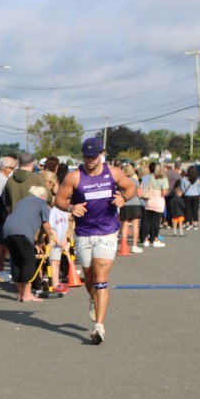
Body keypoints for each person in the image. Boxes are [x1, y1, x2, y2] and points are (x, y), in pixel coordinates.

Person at [54, 137, 136, 344]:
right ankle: (94, 299)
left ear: (101, 154)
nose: (89, 160)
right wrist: (71, 207)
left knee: (100, 278)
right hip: (84, 232)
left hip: (107, 231)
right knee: (89, 278)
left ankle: (99, 327)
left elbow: (131, 187)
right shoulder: (75, 177)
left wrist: (124, 198)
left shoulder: (113, 173)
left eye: (93, 156)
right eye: (86, 156)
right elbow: (59, 200)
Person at [3, 186, 55, 302]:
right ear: (43, 196)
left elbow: (22, 219)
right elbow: (46, 225)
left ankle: (20, 294)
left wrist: (33, 244)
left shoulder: (22, 202)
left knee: (17, 261)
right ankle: (27, 294)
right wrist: (51, 238)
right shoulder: (42, 203)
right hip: (22, 232)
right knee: (29, 261)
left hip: (7, 231)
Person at [139, 163, 169, 246]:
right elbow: (164, 193)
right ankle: (155, 239)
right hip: (159, 201)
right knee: (156, 221)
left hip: (149, 200)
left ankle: (146, 239)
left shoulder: (151, 178)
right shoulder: (164, 179)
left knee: (148, 221)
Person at [119, 164, 144, 252]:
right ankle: (134, 245)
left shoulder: (121, 181)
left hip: (125, 203)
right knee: (135, 225)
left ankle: (124, 244)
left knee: (125, 224)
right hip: (135, 203)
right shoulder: (135, 181)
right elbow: (139, 194)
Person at [179, 166, 200, 231]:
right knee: (195, 210)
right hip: (196, 195)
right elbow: (199, 188)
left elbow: (182, 188)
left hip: (187, 195)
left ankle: (187, 224)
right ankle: (195, 225)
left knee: (188, 210)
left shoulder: (184, 179)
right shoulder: (197, 179)